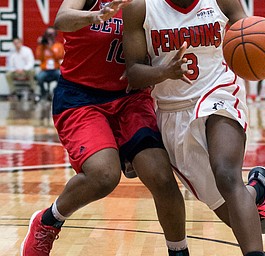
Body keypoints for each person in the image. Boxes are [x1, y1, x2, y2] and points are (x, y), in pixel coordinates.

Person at [123, 0, 265, 255]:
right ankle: (256, 190)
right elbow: (133, 73)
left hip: (219, 90)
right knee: (232, 211)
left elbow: (248, 32)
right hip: (173, 109)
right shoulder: (140, 8)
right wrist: (164, 71)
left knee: (226, 173)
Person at [21, 1, 188, 256]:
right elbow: (62, 18)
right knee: (103, 175)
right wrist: (94, 16)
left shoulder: (151, 4)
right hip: (82, 98)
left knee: (161, 177)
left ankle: (179, 251)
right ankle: (48, 221)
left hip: (131, 98)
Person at [35, 26, 64, 100]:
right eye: (48, 34)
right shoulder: (42, 46)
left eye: (52, 34)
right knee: (39, 78)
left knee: (62, 78)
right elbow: (39, 57)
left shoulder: (58, 46)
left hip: (55, 69)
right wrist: (42, 46)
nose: (50, 36)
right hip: (45, 69)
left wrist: (50, 48)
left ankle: (54, 91)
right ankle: (43, 93)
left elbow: (59, 57)